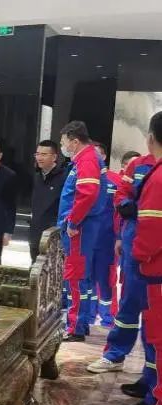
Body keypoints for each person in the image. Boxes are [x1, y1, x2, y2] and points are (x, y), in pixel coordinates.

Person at [87, 151, 154, 373]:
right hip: (134, 242)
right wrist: (125, 207)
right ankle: (115, 355)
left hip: (157, 249)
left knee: (155, 311)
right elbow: (121, 193)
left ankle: (153, 370)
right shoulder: (139, 165)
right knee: (129, 302)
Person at [125, 110, 162, 405]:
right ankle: (151, 384)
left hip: (156, 269)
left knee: (159, 334)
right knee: (154, 331)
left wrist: (138, 255)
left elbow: (151, 229)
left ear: (150, 137)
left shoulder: (159, 177)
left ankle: (159, 401)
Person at [57, 121, 107, 342]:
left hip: (80, 229)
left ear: (75, 141)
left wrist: (73, 223)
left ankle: (75, 326)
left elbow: (87, 193)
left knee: (75, 277)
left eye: (64, 142)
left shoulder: (87, 159)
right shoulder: (87, 158)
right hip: (84, 227)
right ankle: (81, 322)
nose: (63, 146)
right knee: (81, 277)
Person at [91, 143, 121, 327]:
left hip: (107, 239)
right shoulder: (83, 177)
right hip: (86, 238)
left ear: (104, 157)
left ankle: (108, 317)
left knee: (106, 279)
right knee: (86, 279)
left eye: (97, 154)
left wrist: (119, 236)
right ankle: (88, 315)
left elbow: (121, 212)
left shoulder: (115, 180)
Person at [29, 140, 66, 263]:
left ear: (54, 157)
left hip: (53, 233)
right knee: (35, 266)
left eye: (44, 154)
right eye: (37, 154)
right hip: (35, 231)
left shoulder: (63, 177)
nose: (39, 158)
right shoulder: (37, 176)